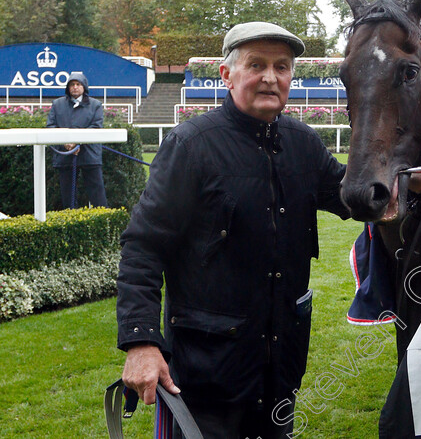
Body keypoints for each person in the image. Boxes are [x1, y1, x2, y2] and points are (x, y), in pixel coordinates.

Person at [116, 22, 350, 438]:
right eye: (256, 64)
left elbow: (357, 198)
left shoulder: (304, 144)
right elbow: (143, 247)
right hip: (204, 383)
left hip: (280, 376)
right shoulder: (191, 145)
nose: (270, 77)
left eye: (282, 67)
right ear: (226, 74)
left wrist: (420, 180)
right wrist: (141, 342)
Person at [46, 72, 108, 209]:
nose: (75, 87)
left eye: (78, 84)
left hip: (90, 156)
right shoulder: (57, 104)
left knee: (97, 195)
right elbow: (50, 126)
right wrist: (66, 143)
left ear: (84, 86)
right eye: (72, 85)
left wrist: (77, 142)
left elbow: (96, 126)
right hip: (65, 156)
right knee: (68, 196)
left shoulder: (95, 105)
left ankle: (104, 221)